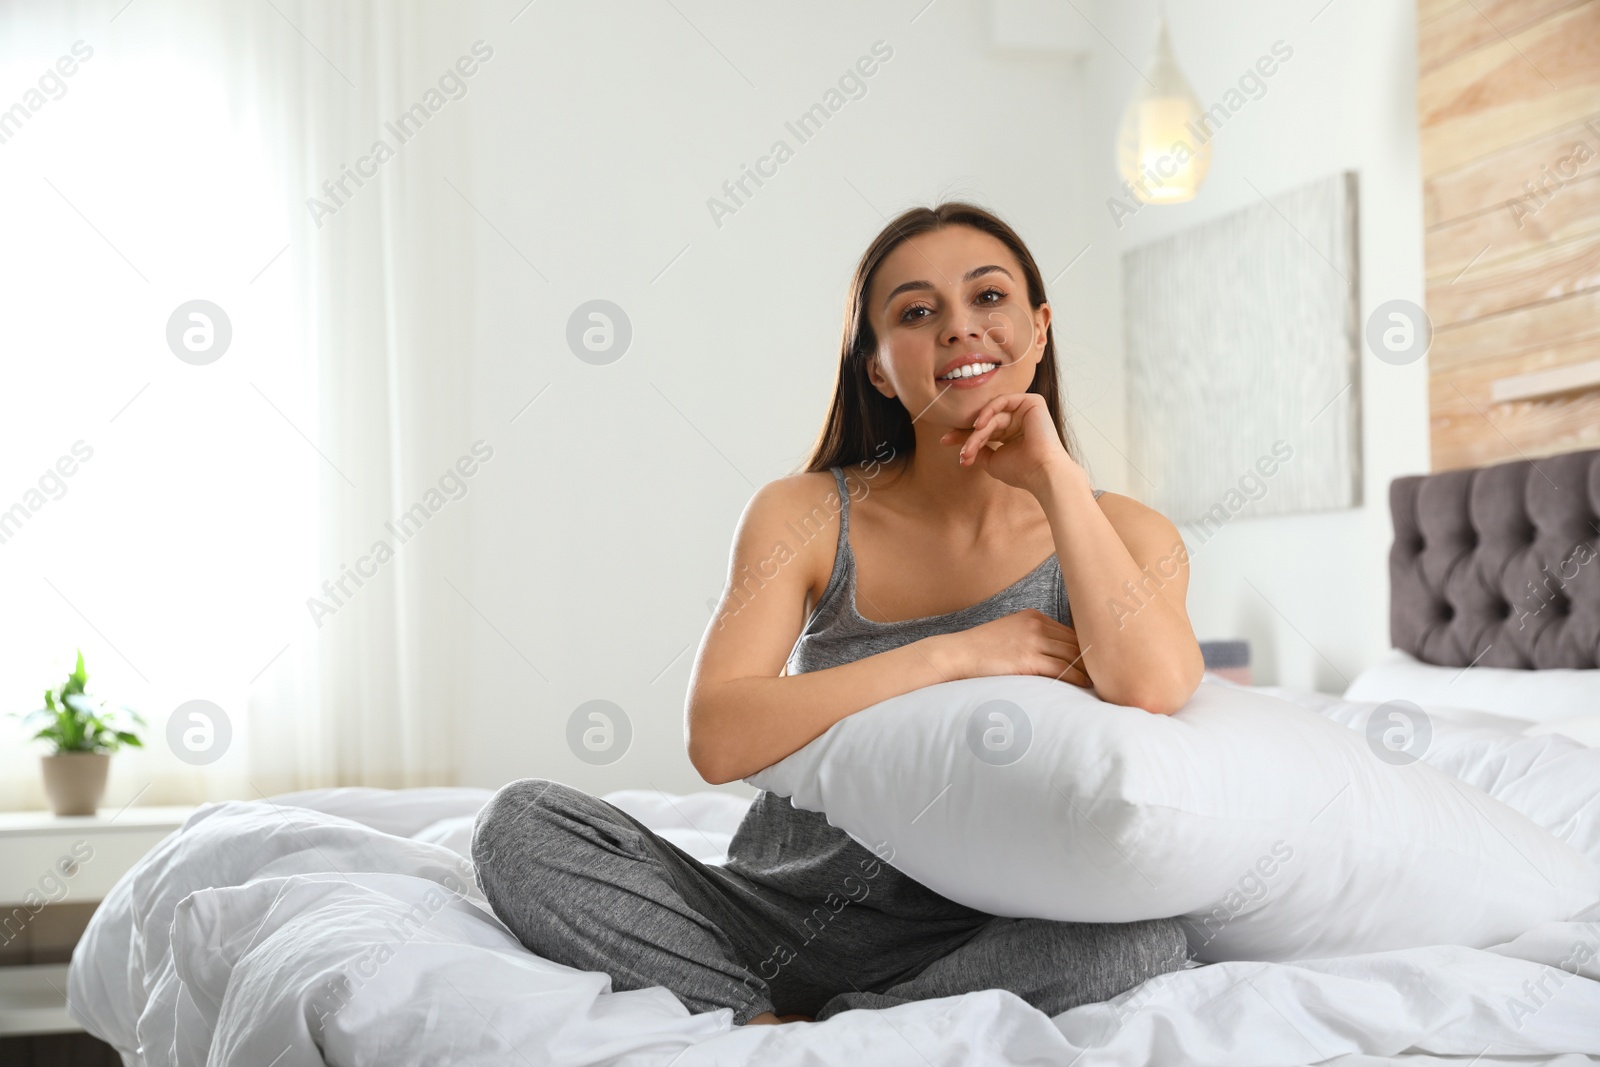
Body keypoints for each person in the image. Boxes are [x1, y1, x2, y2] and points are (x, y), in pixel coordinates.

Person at [472, 201, 1206, 1025]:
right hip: (767, 914)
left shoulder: (1127, 531)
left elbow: (1154, 684)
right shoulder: (808, 513)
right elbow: (717, 734)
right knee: (519, 823)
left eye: (990, 298)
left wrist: (1058, 480)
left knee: (1141, 940)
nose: (961, 329)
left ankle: (834, 1033)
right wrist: (953, 654)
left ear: (1040, 329)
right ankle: (766, 1025)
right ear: (880, 369)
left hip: (972, 938)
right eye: (918, 312)